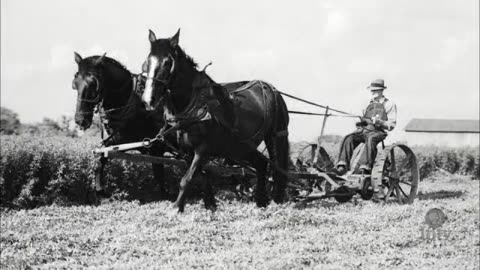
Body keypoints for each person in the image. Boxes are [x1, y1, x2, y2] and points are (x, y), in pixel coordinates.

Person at [335, 79, 397, 176]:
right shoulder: (367, 103)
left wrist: (379, 122)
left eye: (375, 90)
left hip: (378, 131)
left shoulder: (389, 104)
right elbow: (363, 118)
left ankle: (365, 167)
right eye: (371, 90)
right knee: (348, 138)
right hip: (364, 130)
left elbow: (391, 125)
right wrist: (360, 123)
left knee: (371, 139)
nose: (372, 92)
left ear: (381, 90)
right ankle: (342, 166)